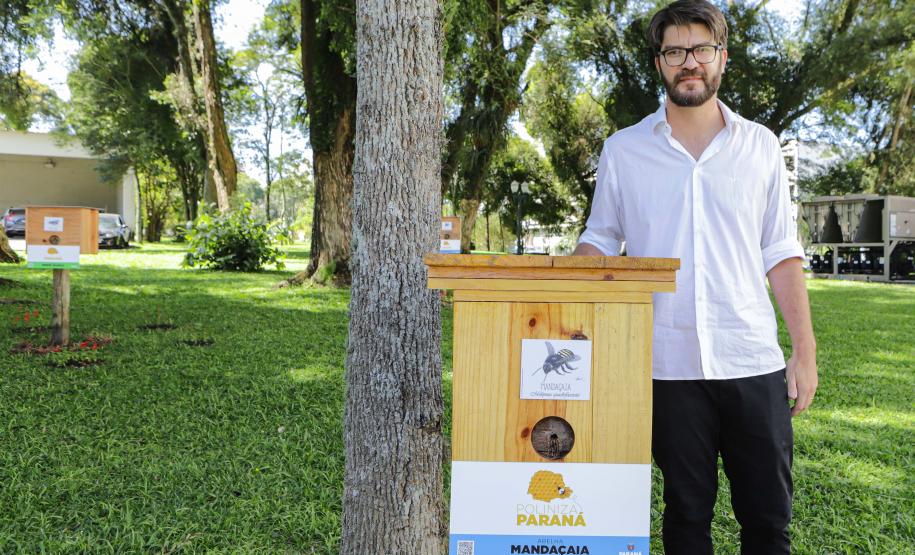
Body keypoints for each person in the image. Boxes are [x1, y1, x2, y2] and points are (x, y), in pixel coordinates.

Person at [572, 1, 818, 553]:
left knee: (768, 518)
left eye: (701, 49)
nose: (690, 62)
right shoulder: (625, 149)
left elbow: (781, 252)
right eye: (676, 51)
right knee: (686, 514)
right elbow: (601, 238)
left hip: (752, 359)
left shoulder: (760, 147)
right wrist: (564, 277)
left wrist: (803, 350)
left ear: (722, 59)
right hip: (666, 365)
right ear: (660, 63)